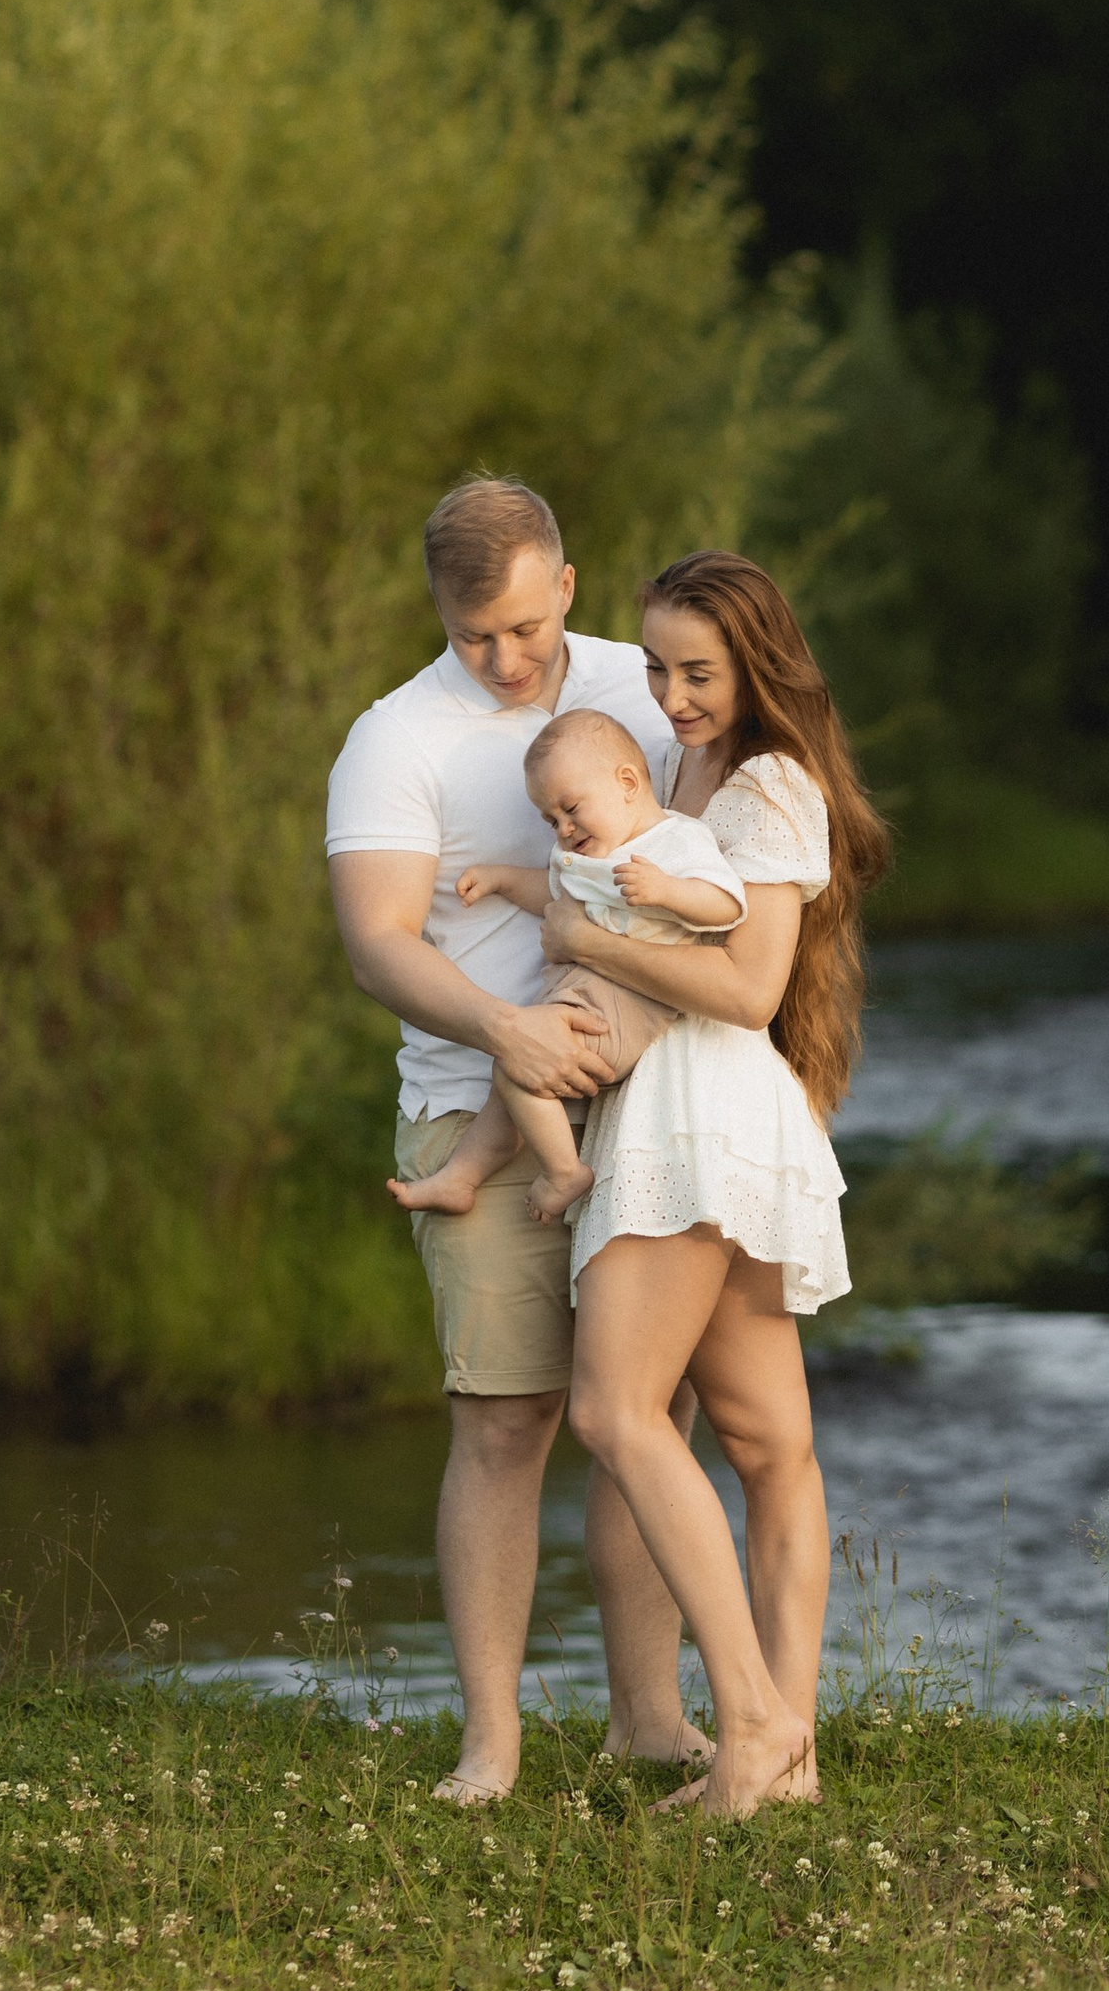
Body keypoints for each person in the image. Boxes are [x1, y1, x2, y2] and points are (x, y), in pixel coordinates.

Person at [326, 478, 709, 1803]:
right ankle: (491, 1742)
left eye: (528, 630)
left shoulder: (641, 687)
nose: (506, 660)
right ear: (438, 607)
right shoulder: (395, 739)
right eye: (475, 632)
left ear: (569, 585)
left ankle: (651, 1720)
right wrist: (509, 1033)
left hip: (660, 1097)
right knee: (505, 1419)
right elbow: (378, 941)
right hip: (477, 1095)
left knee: (649, 1411)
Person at [547, 550, 892, 1817]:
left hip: (702, 1105)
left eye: (699, 670)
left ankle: (749, 1724)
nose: (674, 693)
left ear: (761, 661)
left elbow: (749, 989)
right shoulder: (672, 768)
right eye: (655, 667)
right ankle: (784, 1761)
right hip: (709, 1109)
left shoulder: (770, 787)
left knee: (617, 1413)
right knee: (764, 1443)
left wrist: (578, 937)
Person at [386, 703, 747, 1226]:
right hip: (578, 999)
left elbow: (727, 903)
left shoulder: (675, 841)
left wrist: (670, 892)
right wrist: (502, 879)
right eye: (550, 819)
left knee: (515, 1069)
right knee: (510, 1078)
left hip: (624, 1009)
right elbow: (553, 890)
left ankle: (563, 1172)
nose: (563, 827)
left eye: (571, 807)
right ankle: (461, 1178)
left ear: (627, 782)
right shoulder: (588, 856)